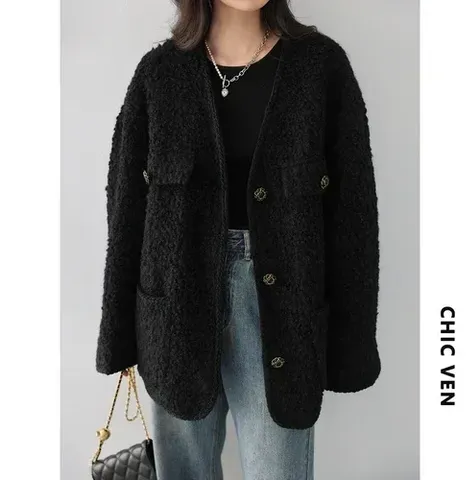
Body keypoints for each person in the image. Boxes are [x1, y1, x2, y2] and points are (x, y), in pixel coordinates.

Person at [95, 0, 381, 478]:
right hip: (174, 308)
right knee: (182, 471)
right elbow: (126, 207)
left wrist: (349, 342)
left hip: (283, 306)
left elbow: (354, 214)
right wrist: (119, 335)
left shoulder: (321, 67)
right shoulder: (160, 72)